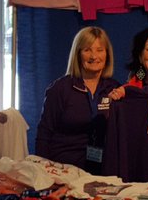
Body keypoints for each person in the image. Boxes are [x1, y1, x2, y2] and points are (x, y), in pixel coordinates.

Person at [35, 26, 120, 170]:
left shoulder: (114, 89)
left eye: (100, 50)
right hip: (63, 169)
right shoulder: (60, 89)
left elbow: (138, 77)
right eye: (87, 50)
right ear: (78, 54)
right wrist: (43, 171)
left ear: (107, 54)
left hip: (101, 169)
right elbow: (44, 134)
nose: (94, 56)